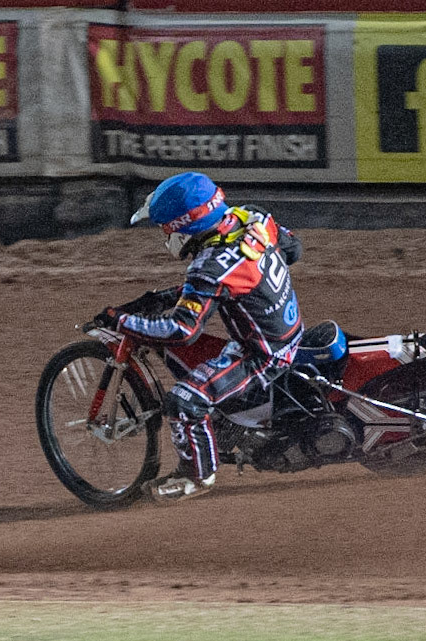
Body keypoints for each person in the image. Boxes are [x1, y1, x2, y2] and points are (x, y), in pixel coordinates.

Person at [107, 171, 304, 503]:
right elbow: (293, 248)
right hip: (288, 330)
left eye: (165, 228)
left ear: (184, 227)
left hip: (262, 355)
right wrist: (171, 296)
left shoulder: (209, 267)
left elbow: (182, 331)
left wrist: (122, 321)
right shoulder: (252, 216)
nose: (164, 234)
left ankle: (198, 476)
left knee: (184, 401)